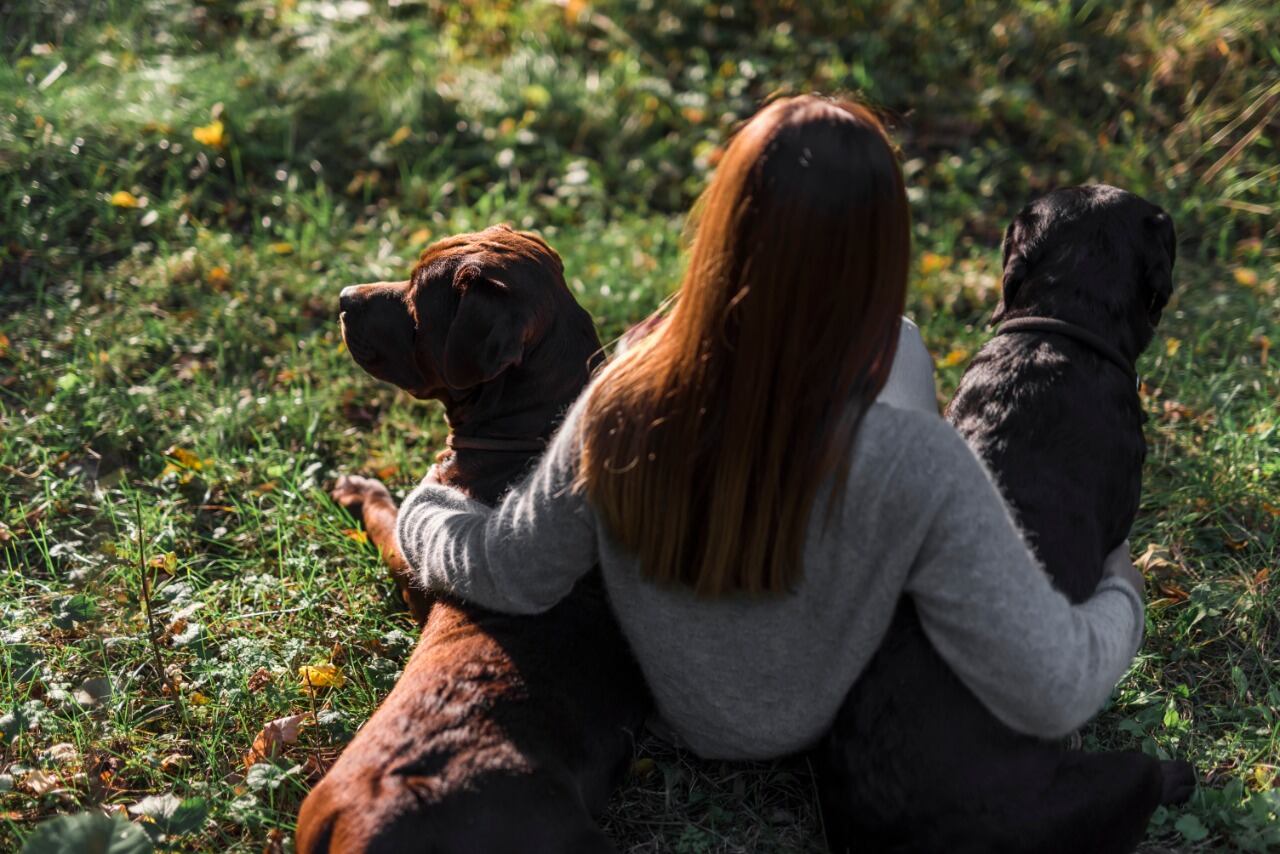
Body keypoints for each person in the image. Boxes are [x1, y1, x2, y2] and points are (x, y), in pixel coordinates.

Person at [396, 95, 1144, 761]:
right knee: (906, 346)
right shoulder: (919, 461)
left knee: (894, 353)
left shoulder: (618, 400)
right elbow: (1057, 685)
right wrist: (1121, 580)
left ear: (722, 223)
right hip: (841, 708)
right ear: (883, 250)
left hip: (686, 718)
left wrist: (421, 512)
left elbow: (511, 573)